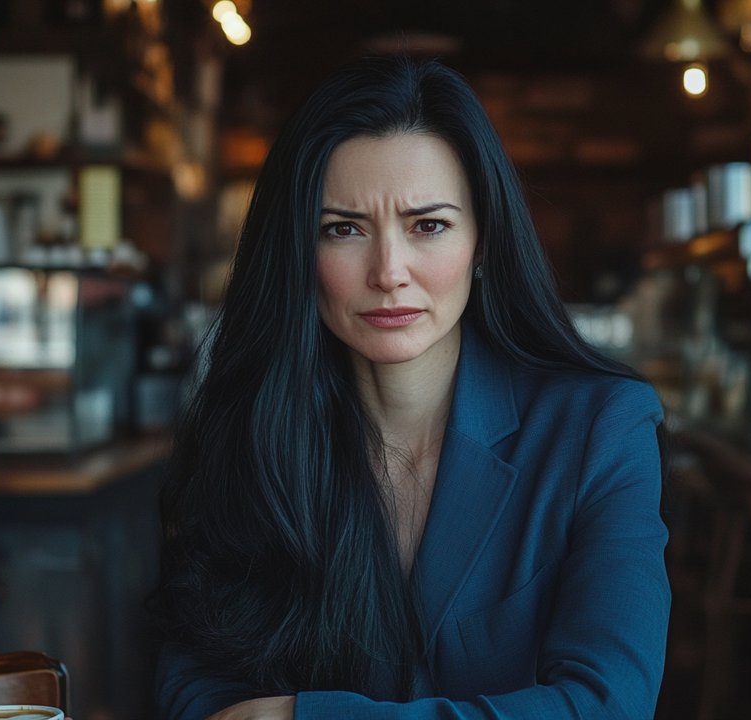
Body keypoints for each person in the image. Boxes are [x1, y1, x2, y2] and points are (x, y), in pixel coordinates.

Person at [151, 55, 670, 720]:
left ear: (483, 240)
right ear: (299, 254)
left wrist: (298, 716)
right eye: (343, 229)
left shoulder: (602, 428)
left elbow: (608, 705)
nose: (389, 271)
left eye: (428, 225)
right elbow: (195, 692)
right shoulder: (250, 433)